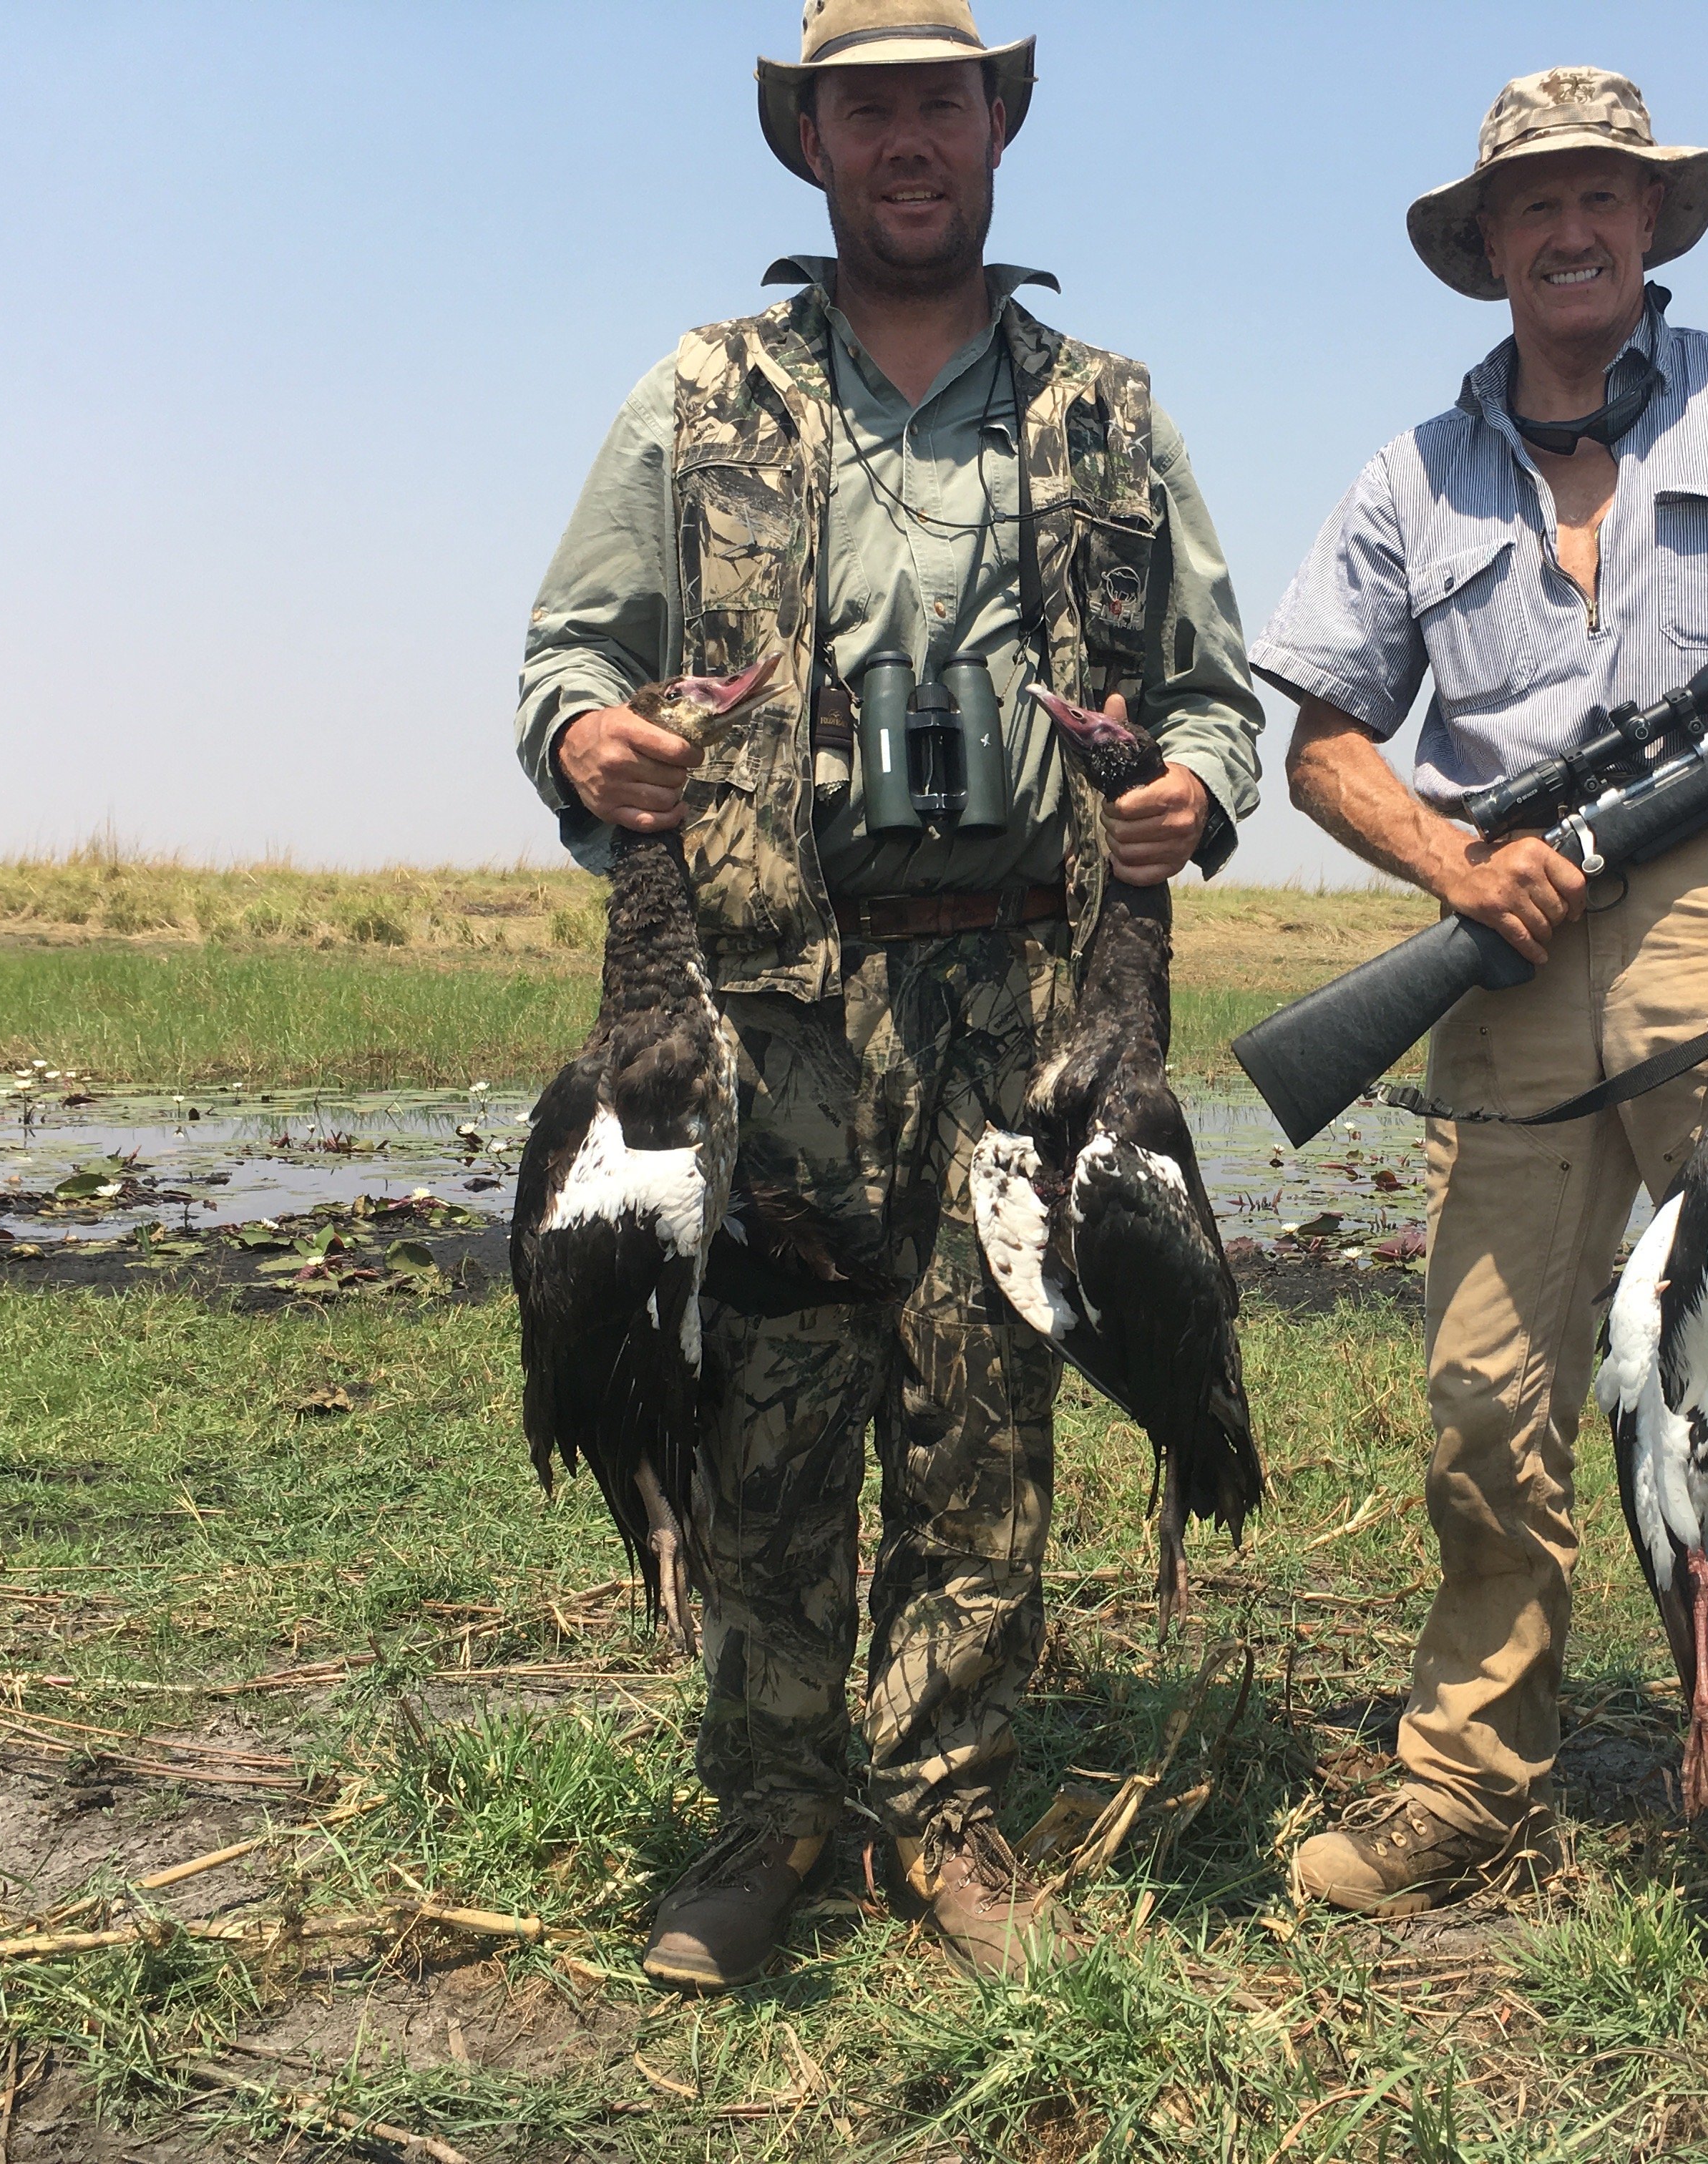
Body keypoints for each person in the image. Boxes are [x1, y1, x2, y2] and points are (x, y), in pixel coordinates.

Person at [517, 0, 1263, 1990]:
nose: (908, 139)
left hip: (1026, 997)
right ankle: (768, 1816)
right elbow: (571, 660)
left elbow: (1212, 691)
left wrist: (1198, 784)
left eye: (941, 100)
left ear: (993, 125)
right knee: (763, 1419)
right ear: (816, 143)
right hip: (769, 1010)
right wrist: (594, 744)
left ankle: (950, 1817)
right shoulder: (702, 394)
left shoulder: (1110, 412)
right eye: (870, 110)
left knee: (982, 1420)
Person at [1250, 66, 1708, 2016]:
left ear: (1653, 225)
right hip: (1503, 977)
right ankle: (1470, 1792)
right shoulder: (1412, 475)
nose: (1571, 231)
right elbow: (1318, 733)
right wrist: (1450, 861)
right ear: (1485, 247)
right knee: (1489, 1411)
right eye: (1532, 206)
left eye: (1605, 198)